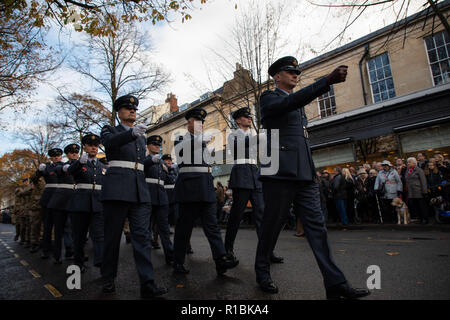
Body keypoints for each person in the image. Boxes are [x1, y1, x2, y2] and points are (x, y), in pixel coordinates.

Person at [255, 56, 369, 299]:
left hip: (304, 173)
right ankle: (262, 271)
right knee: (272, 226)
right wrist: (326, 81)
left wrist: (311, 170)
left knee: (318, 229)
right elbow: (291, 102)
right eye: (290, 71)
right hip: (279, 172)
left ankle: (335, 283)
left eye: (297, 72)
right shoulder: (268, 98)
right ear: (277, 76)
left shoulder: (298, 106)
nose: (296, 74)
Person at [100, 94, 167, 298]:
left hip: (139, 191)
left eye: (135, 109)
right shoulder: (110, 129)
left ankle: (147, 283)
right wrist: (131, 135)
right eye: (128, 108)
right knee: (112, 238)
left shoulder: (141, 136)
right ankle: (108, 278)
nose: (133, 111)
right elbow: (110, 144)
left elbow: (138, 164)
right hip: (118, 189)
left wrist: (152, 160)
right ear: (119, 112)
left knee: (142, 238)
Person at [172, 107, 238, 276]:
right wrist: (199, 142)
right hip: (189, 189)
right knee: (184, 229)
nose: (200, 124)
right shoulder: (181, 137)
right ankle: (178, 261)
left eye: (202, 121)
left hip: (206, 188)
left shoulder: (203, 141)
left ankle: (220, 259)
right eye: (197, 121)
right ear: (189, 122)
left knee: (212, 228)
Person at [224, 107, 269, 262]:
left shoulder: (253, 135)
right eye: (245, 117)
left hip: (254, 174)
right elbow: (238, 147)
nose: (249, 119)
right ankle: (227, 248)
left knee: (261, 214)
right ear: (238, 120)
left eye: (250, 117)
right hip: (241, 173)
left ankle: (267, 250)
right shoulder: (232, 135)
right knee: (237, 214)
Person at [67, 134, 105, 273]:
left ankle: (101, 262)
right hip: (80, 203)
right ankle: (78, 261)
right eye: (90, 145)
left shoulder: (102, 165)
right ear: (85, 147)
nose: (94, 147)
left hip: (98, 203)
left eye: (96, 145)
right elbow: (70, 172)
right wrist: (79, 163)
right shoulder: (78, 164)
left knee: (99, 235)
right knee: (79, 236)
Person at [144, 135, 174, 266]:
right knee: (145, 228)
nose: (157, 146)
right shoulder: (144, 160)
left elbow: (167, 178)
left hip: (161, 196)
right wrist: (151, 161)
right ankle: (144, 256)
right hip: (148, 195)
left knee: (164, 228)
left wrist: (172, 171)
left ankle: (169, 254)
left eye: (158, 145)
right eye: (154, 144)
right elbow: (142, 168)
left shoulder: (162, 162)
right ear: (148, 146)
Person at [47, 144, 79, 264]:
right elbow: (57, 169)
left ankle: (72, 251)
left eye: (76, 152)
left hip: (75, 199)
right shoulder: (62, 165)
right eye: (71, 153)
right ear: (67, 155)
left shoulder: (83, 165)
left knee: (74, 228)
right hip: (60, 201)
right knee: (59, 228)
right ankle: (57, 254)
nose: (74, 154)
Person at [35, 148, 64, 259]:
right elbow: (35, 179)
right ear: (51, 157)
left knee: (59, 227)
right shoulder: (46, 167)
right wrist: (39, 171)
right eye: (54, 156)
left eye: (58, 155)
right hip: (48, 198)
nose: (56, 157)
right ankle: (45, 250)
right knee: (47, 226)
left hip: (61, 197)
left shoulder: (65, 166)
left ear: (61, 156)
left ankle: (58, 253)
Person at [406, 157, 429, 224]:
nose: (408, 163)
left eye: (409, 162)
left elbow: (423, 181)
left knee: (422, 206)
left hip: (419, 191)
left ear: (414, 163)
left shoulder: (419, 170)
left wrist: (424, 191)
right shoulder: (408, 170)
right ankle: (420, 218)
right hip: (411, 192)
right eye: (408, 162)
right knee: (416, 206)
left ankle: (425, 218)